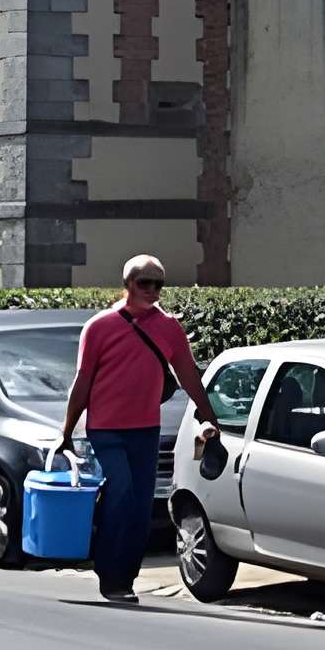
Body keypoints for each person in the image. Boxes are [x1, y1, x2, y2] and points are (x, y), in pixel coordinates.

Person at [54, 254, 221, 603]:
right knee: (121, 494)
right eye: (145, 283)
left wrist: (209, 415)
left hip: (146, 430)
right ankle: (109, 573)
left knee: (141, 508)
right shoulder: (100, 327)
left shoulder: (169, 327)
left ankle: (124, 580)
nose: (153, 291)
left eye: (159, 284)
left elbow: (188, 373)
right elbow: (82, 381)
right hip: (106, 429)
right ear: (128, 284)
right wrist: (66, 431)